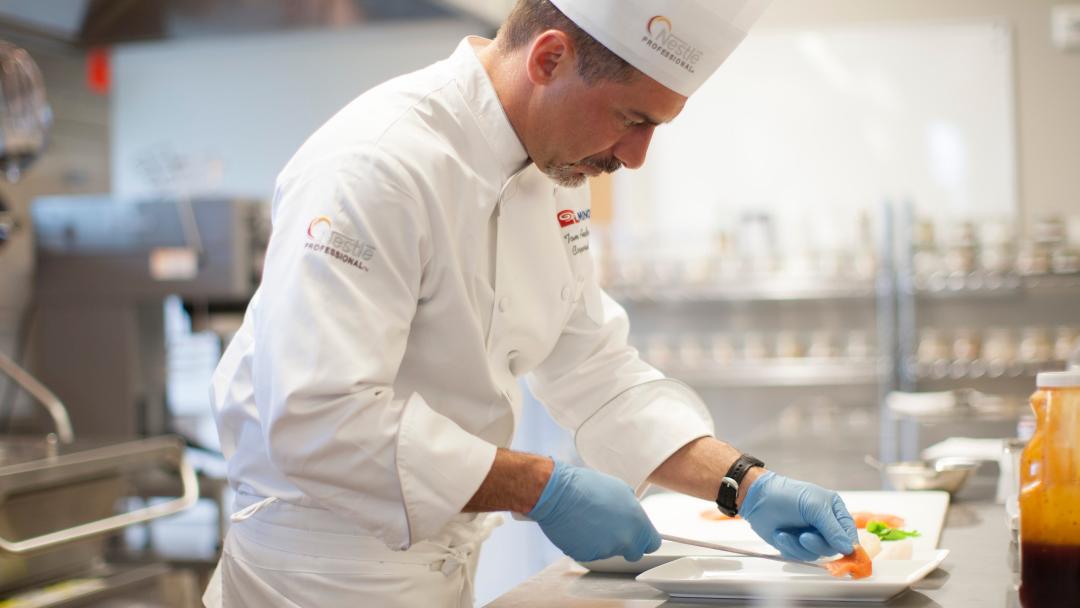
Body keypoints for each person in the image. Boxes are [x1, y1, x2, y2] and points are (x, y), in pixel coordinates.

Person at [203, 1, 859, 606]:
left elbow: (594, 369)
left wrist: (743, 483)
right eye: (633, 120)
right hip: (313, 580)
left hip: (441, 570)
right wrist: (541, 486)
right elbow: (317, 416)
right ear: (549, 59)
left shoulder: (556, 168)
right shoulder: (377, 165)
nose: (634, 157)